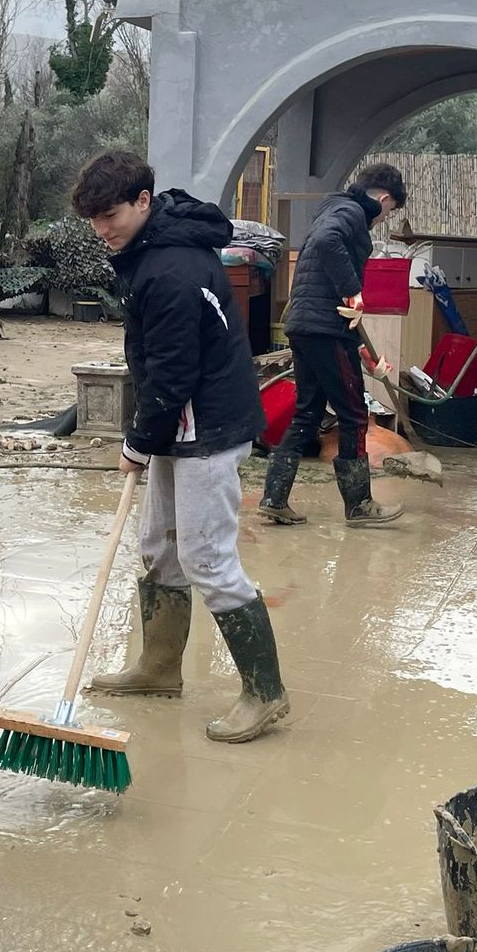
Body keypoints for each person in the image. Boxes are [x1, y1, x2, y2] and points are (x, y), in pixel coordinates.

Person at [69, 151, 288, 744]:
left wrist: (137, 443)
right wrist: (149, 435)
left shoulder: (170, 269)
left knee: (206, 557)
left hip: (206, 425)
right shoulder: (149, 248)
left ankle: (265, 692)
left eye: (110, 216)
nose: (101, 230)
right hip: (178, 419)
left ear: (143, 201)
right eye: (94, 220)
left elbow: (173, 372)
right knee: (158, 546)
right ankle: (159, 667)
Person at [257, 162, 407, 528]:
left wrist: (361, 349)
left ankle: (274, 498)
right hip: (326, 329)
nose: (384, 218)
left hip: (306, 326)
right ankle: (359, 505)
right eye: (389, 211)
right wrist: (352, 290)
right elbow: (328, 242)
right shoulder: (351, 213)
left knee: (307, 413)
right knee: (353, 414)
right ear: (383, 199)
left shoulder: (333, 207)